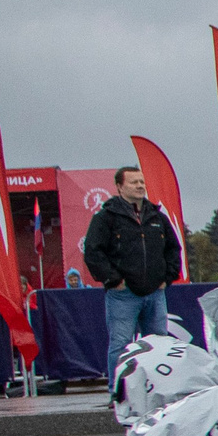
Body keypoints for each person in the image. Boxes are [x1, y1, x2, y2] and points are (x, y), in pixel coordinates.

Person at [82, 165, 182, 388]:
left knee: (159, 345)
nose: (139, 186)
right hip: (123, 295)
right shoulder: (105, 218)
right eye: (133, 182)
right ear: (119, 187)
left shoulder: (158, 216)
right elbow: (93, 251)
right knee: (120, 345)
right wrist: (113, 280)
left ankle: (160, 390)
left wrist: (168, 276)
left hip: (155, 293)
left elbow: (173, 248)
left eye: (142, 182)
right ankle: (118, 392)